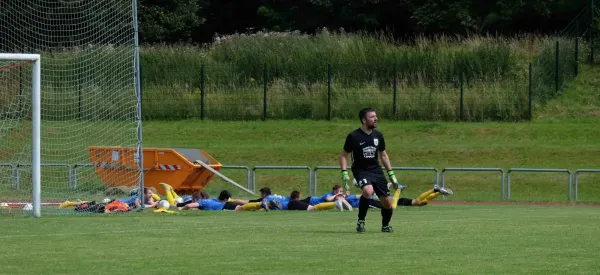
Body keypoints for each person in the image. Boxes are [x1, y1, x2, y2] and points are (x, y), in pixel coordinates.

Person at [339, 107, 400, 233]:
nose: (376, 119)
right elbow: (343, 155)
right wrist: (344, 172)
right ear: (364, 120)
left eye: (375, 116)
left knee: (387, 203)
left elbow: (383, 155)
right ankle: (361, 220)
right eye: (372, 117)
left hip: (376, 171)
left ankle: (385, 225)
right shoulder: (353, 136)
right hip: (360, 170)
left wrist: (391, 174)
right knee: (368, 191)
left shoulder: (378, 136)